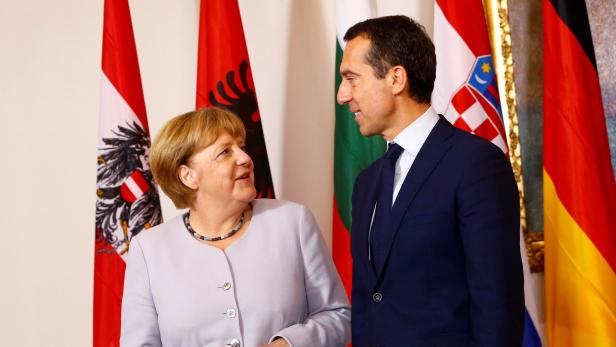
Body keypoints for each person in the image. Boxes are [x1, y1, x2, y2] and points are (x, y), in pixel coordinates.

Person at [337, 15, 524, 346]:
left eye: (352, 79)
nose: (342, 95)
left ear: (396, 78)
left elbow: (496, 304)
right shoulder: (366, 183)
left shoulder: (475, 165)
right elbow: (369, 302)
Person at [120, 107, 350, 347]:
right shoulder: (149, 250)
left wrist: (286, 345)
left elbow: (338, 316)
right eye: (225, 152)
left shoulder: (293, 222)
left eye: (242, 147)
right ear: (188, 176)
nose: (245, 158)